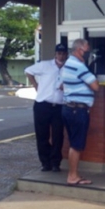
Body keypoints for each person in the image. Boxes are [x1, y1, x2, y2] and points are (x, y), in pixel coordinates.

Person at [60, 38, 100, 186]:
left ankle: (73, 174)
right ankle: (72, 176)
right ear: (79, 50)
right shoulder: (79, 66)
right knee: (76, 145)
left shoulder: (66, 65)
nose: (88, 52)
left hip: (68, 108)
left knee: (73, 143)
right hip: (78, 110)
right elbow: (96, 86)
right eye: (87, 50)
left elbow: (61, 86)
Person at [25, 44, 68, 173]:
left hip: (59, 106)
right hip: (43, 104)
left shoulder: (69, 69)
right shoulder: (45, 65)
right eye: (59, 53)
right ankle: (45, 162)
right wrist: (35, 84)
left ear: (66, 55)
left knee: (58, 135)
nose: (61, 56)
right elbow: (28, 71)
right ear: (55, 54)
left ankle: (55, 163)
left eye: (63, 53)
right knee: (42, 135)